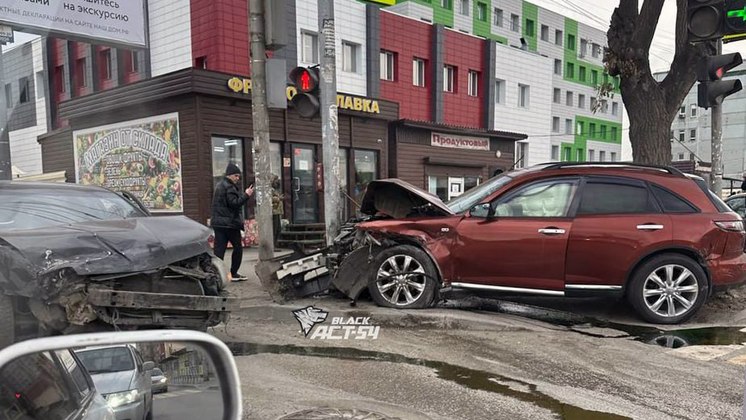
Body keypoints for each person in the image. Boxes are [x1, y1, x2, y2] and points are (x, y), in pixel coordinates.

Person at [211, 163, 254, 281]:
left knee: (219, 250)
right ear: (230, 175)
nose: (238, 178)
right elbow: (234, 204)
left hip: (218, 223)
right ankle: (233, 274)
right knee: (238, 248)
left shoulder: (220, 185)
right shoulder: (229, 187)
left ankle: (214, 275)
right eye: (236, 176)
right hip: (229, 224)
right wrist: (246, 195)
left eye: (238, 176)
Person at [271, 175, 284, 247]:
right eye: (276, 180)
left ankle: (275, 244)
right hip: (273, 211)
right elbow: (269, 198)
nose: (278, 181)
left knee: (278, 229)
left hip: (277, 211)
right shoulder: (270, 190)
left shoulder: (276, 190)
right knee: (274, 229)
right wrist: (278, 198)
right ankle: (273, 245)